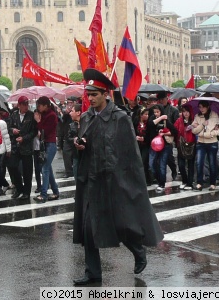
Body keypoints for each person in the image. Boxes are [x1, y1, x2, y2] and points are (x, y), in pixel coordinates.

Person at [72, 69, 163, 285]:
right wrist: (80, 146)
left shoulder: (120, 118)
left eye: (95, 94)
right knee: (88, 228)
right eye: (89, 94)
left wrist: (130, 181)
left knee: (120, 223)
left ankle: (138, 250)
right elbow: (84, 142)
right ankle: (92, 272)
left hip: (113, 179)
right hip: (90, 180)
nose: (91, 98)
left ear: (106, 94)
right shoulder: (85, 117)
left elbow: (130, 153)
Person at [7, 96, 37, 200]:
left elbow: (34, 132)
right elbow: (8, 127)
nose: (26, 106)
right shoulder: (14, 115)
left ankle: (26, 192)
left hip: (26, 147)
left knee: (27, 171)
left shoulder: (31, 115)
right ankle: (19, 188)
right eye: (24, 104)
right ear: (19, 105)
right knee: (12, 166)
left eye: (27, 104)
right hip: (15, 146)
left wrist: (24, 138)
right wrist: (12, 130)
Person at [33, 96, 60, 203]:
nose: (38, 107)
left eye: (39, 105)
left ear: (45, 105)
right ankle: (55, 191)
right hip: (45, 144)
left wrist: (38, 121)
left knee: (45, 168)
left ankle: (43, 194)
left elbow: (45, 131)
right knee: (48, 169)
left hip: (51, 144)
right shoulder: (43, 114)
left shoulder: (52, 115)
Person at [191, 100, 219, 191]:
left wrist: (212, 133)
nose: (202, 109)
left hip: (212, 142)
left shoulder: (215, 115)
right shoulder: (197, 116)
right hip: (201, 142)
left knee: (212, 163)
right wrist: (202, 125)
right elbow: (194, 130)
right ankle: (199, 183)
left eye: (203, 107)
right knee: (199, 162)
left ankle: (213, 183)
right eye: (200, 107)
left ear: (208, 107)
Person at [146, 105, 177, 193]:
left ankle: (162, 184)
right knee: (151, 165)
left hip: (165, 145)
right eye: (155, 112)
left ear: (161, 111)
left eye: (158, 112)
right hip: (153, 145)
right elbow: (150, 124)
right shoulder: (152, 118)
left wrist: (165, 133)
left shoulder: (165, 120)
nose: (156, 114)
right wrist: (160, 118)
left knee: (162, 165)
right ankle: (159, 180)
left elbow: (174, 131)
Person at [175, 105, 196, 190]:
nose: (186, 113)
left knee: (191, 165)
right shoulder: (179, 120)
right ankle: (185, 181)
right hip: (181, 145)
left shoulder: (194, 120)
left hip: (192, 145)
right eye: (184, 111)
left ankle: (190, 183)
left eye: (187, 111)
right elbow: (174, 129)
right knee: (181, 165)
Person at [0, 109, 12, 192]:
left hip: (0, 149)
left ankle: (3, 185)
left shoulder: (2, 123)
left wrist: (8, 149)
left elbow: (6, 137)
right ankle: (2, 185)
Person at [135, 108, 152, 185]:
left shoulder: (148, 123)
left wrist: (144, 139)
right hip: (137, 145)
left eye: (148, 114)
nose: (147, 116)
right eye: (145, 114)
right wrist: (135, 137)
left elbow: (150, 135)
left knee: (144, 161)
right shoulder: (135, 122)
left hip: (146, 145)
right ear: (141, 115)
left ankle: (147, 179)